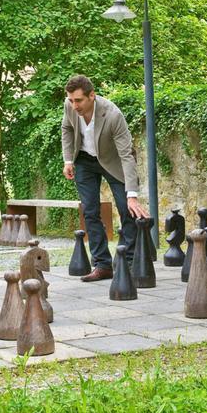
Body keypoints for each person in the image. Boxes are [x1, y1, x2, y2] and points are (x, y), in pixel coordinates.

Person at [61, 74, 149, 281]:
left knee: (126, 208)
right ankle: (102, 265)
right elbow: (66, 128)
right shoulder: (69, 105)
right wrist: (67, 160)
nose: (74, 105)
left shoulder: (113, 115)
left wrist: (132, 195)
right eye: (71, 100)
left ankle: (128, 264)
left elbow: (127, 155)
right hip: (84, 160)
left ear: (92, 96)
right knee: (90, 211)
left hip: (113, 161)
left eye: (79, 100)